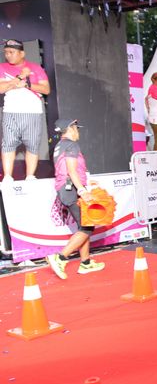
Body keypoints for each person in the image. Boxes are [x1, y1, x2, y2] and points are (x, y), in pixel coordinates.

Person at [46, 119, 106, 279]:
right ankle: (60, 258)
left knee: (84, 225)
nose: (78, 131)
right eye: (76, 128)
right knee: (87, 227)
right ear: (70, 129)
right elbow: (72, 171)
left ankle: (86, 263)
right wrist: (82, 190)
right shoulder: (71, 145)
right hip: (71, 189)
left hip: (65, 189)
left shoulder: (60, 145)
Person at [0, 39, 51, 182]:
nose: (8, 55)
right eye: (6, 52)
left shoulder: (36, 68)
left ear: (22, 53)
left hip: (33, 112)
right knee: (8, 144)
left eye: (12, 52)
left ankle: (30, 177)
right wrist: (20, 77)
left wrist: (27, 84)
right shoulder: (2, 67)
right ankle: (8, 177)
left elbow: (46, 89)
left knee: (32, 145)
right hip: (11, 112)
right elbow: (1, 88)